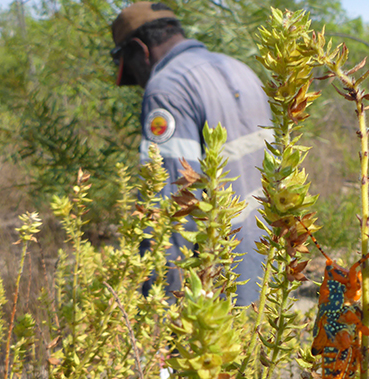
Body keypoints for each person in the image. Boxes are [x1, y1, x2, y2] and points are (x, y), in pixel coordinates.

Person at [111, 2, 271, 306]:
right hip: (266, 254)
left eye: (126, 63)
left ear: (139, 49)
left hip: (218, 273)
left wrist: (162, 307)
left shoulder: (166, 89)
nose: (137, 80)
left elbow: (170, 208)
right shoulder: (241, 68)